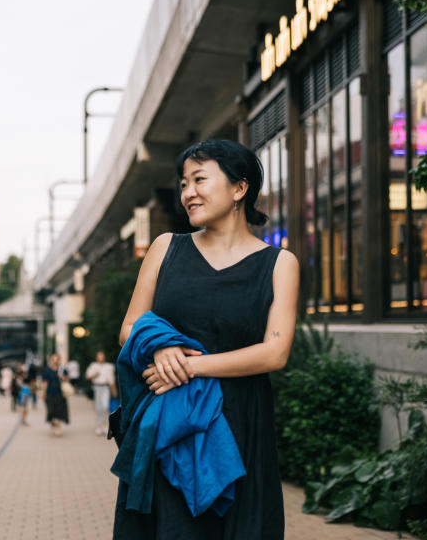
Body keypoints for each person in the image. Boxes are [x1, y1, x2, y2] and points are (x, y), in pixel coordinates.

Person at [113, 139, 299, 539]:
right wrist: (160, 345)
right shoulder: (166, 248)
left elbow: (275, 352)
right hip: (168, 424)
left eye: (199, 180)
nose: (188, 193)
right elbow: (129, 327)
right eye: (183, 184)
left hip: (240, 424)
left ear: (239, 189)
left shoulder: (279, 264)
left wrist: (188, 366)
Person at [86, 350, 116, 436]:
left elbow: (111, 380)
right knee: (98, 407)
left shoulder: (109, 366)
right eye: (99, 356)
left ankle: (105, 424)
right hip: (96, 387)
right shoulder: (93, 366)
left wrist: (114, 391)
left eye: (102, 356)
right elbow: (88, 377)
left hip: (105, 387)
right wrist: (95, 374)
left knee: (105, 406)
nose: (100, 358)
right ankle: (99, 426)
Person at [41, 353, 70, 437]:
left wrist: (63, 377)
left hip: (60, 393)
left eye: (57, 359)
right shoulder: (47, 371)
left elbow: (68, 380)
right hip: (50, 393)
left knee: (59, 411)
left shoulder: (62, 370)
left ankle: (58, 428)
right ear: (51, 360)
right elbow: (45, 383)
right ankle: (53, 423)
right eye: (53, 359)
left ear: (59, 360)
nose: (55, 361)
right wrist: (43, 394)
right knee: (51, 411)